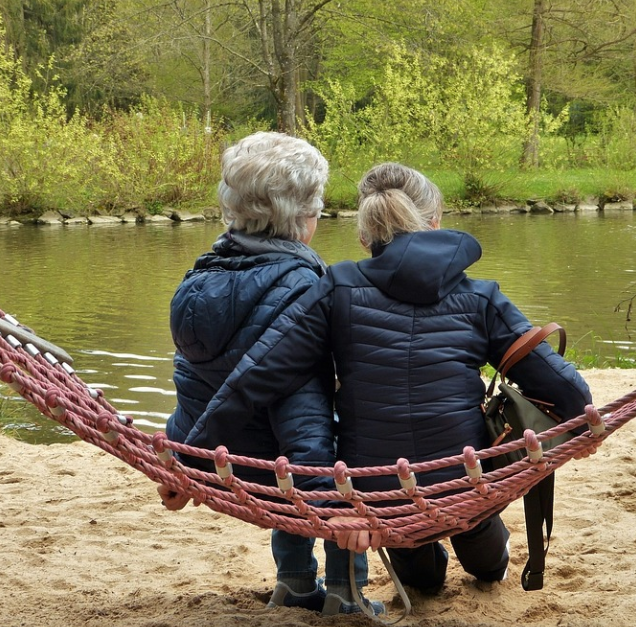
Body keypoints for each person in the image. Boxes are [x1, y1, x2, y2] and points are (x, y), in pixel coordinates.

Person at [186, 162, 593, 595]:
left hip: (379, 493)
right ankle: (484, 550)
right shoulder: (481, 297)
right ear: (435, 222)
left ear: (365, 237)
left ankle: (432, 556)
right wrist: (584, 424)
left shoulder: (335, 287)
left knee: (422, 581)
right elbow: (562, 386)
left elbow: (259, 376)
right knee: (482, 545)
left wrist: (190, 459)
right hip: (466, 477)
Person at [156, 131, 382, 616]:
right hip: (278, 464)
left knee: (286, 449)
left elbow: (194, 382)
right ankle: (346, 593)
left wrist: (181, 457)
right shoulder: (305, 288)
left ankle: (295, 581)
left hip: (220, 456)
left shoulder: (199, 277)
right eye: (317, 207)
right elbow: (305, 413)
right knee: (351, 442)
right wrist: (330, 506)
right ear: (303, 217)